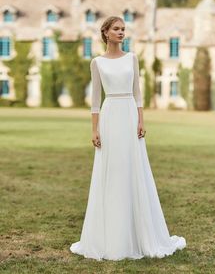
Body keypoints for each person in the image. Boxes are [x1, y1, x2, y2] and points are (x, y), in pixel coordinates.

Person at [70, 16, 186, 261]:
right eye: (116, 29)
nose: (121, 32)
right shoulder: (97, 62)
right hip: (110, 116)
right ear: (106, 32)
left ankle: (139, 233)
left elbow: (138, 94)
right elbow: (94, 101)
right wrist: (95, 129)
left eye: (123, 29)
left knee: (133, 170)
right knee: (112, 172)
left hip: (129, 115)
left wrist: (141, 120)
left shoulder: (132, 58)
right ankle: (111, 236)